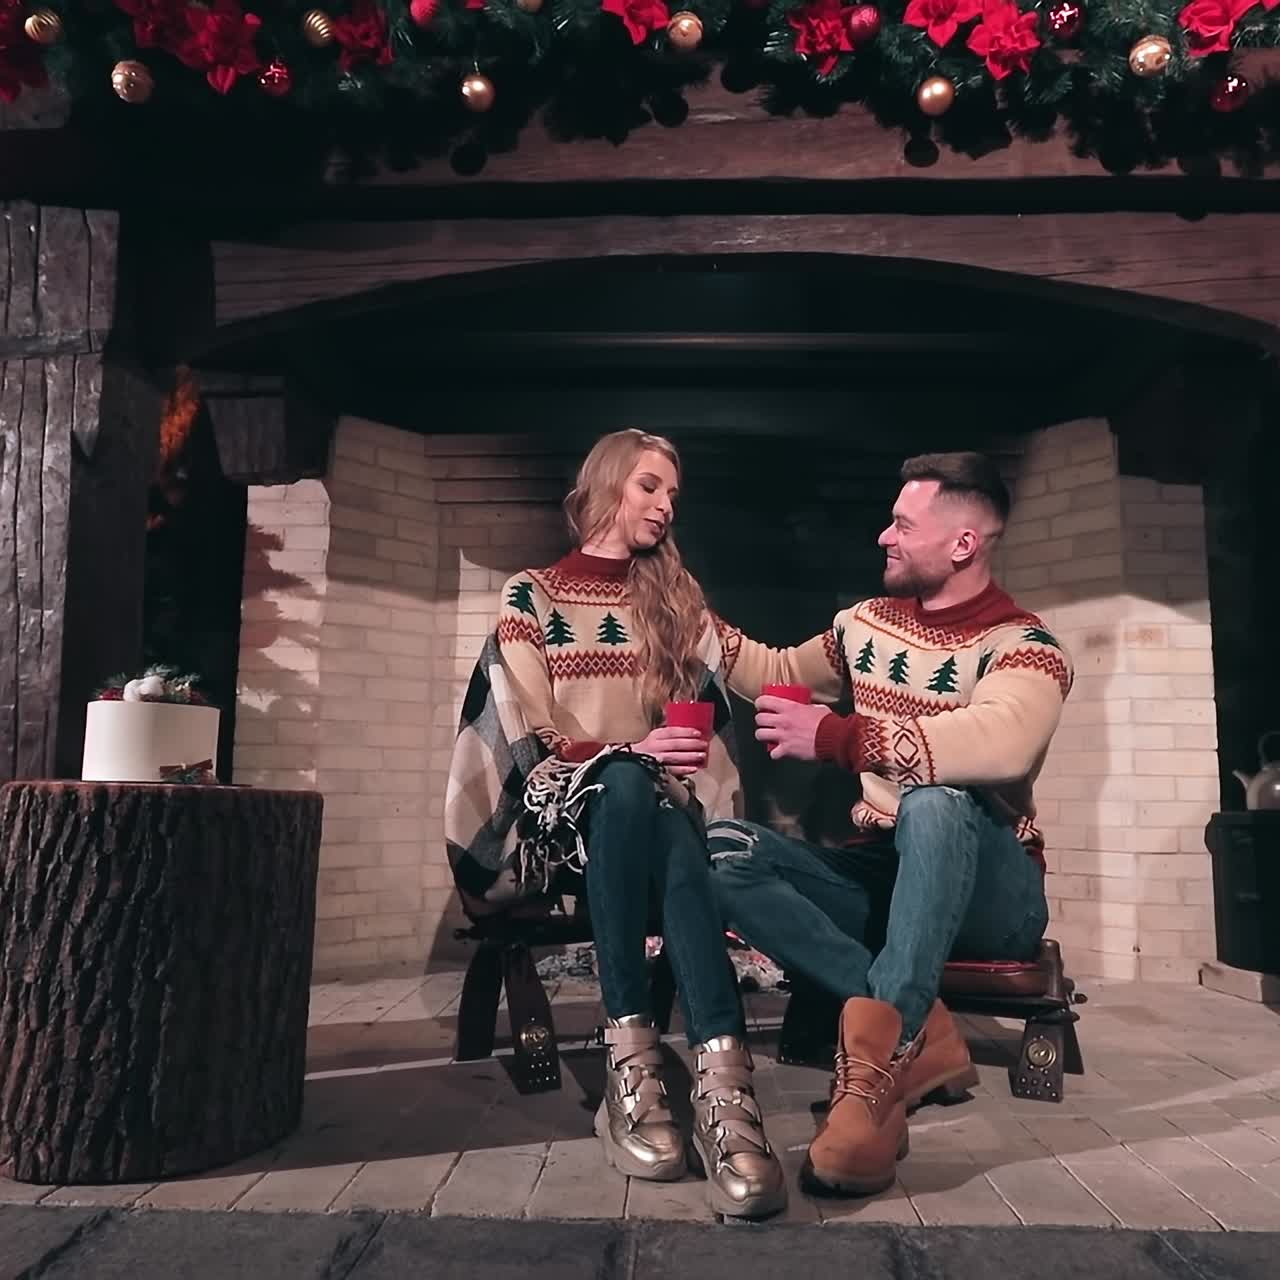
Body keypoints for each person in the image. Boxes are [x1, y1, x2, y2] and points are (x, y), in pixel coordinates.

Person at [708, 451, 1073, 1196]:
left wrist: (841, 738)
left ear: (963, 544)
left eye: (904, 524)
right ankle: (918, 1031)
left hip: (990, 899)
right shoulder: (864, 625)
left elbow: (999, 743)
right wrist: (680, 609)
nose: (884, 536)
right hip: (888, 879)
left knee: (936, 798)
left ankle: (874, 1079)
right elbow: (776, 670)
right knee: (720, 849)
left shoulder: (1026, 648)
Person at [452, 429, 786, 1220]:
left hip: (650, 812)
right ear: (606, 487)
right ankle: (697, 1078)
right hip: (557, 818)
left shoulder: (673, 595)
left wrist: (856, 649)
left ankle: (667, 1073)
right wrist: (626, 753)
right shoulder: (531, 595)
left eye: (673, 493)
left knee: (655, 800)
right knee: (632, 787)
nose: (666, 505)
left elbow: (761, 666)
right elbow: (524, 728)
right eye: (649, 487)